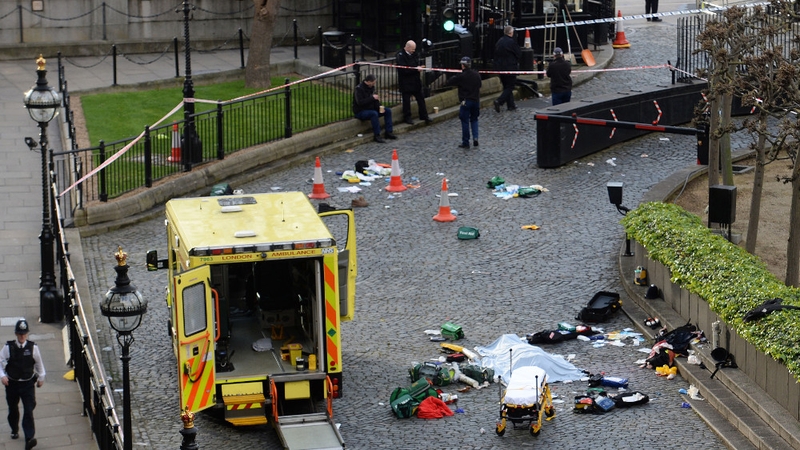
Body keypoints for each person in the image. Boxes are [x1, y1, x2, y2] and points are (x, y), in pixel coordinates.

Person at [0, 319, 45, 450]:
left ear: (27, 334)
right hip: (12, 384)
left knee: (28, 410)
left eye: (24, 334)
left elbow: (39, 364)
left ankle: (29, 438)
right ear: (16, 334)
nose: (22, 336)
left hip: (27, 384)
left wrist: (41, 377)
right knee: (13, 409)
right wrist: (2, 376)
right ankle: (14, 429)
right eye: (20, 334)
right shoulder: (8, 347)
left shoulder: (33, 348)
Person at [445, 56, 482, 149]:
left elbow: (450, 82)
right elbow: (480, 85)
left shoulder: (461, 76)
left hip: (466, 101)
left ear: (462, 65)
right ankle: (475, 138)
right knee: (474, 119)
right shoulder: (476, 74)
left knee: (465, 121)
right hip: (476, 100)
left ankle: (466, 141)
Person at [396, 40, 433, 125]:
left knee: (421, 99)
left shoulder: (415, 55)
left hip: (415, 81)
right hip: (406, 82)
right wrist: (416, 69)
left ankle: (424, 115)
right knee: (406, 101)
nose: (413, 51)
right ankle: (407, 117)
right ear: (407, 47)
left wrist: (419, 67)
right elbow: (403, 70)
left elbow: (417, 63)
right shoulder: (400, 56)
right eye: (412, 49)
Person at [353, 74, 396, 143]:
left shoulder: (372, 88)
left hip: (371, 108)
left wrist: (379, 106)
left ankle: (388, 132)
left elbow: (375, 100)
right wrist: (372, 98)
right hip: (361, 111)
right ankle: (377, 135)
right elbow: (360, 102)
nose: (374, 84)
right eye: (373, 83)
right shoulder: (359, 89)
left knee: (387, 111)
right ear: (369, 82)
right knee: (374, 114)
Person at [493, 25, 521, 112]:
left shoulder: (499, 42)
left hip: (501, 68)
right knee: (510, 86)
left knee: (506, 86)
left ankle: (511, 105)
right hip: (510, 67)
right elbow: (518, 54)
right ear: (511, 33)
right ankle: (499, 101)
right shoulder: (511, 42)